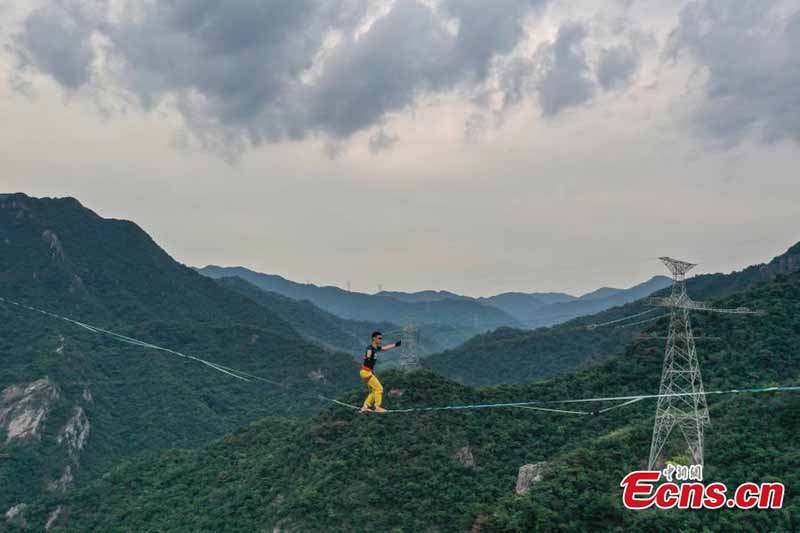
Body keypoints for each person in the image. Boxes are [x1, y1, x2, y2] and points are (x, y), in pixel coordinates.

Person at [360, 331, 401, 413]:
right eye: (379, 338)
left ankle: (365, 406)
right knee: (379, 389)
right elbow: (368, 354)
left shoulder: (376, 348)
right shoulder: (370, 348)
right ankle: (377, 407)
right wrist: (368, 356)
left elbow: (385, 348)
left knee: (373, 391)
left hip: (365, 372)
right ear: (374, 338)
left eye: (381, 338)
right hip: (366, 372)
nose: (380, 340)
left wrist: (395, 344)